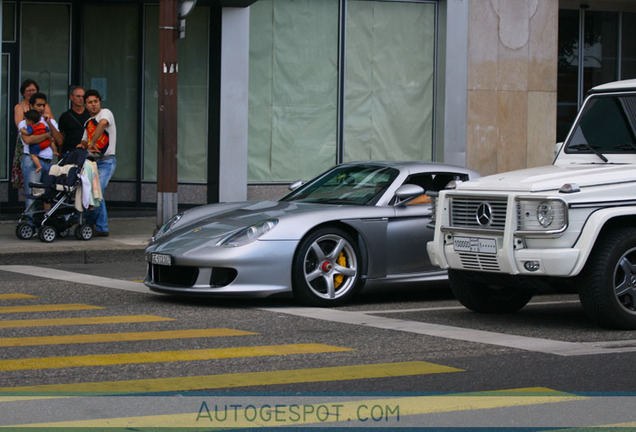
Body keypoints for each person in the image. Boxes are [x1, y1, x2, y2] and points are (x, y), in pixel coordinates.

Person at [78, 89, 116, 237]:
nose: (93, 105)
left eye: (95, 101)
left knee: (96, 190)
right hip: (91, 162)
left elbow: (102, 124)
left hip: (106, 161)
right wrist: (82, 145)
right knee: (89, 192)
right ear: (85, 105)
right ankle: (92, 222)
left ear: (100, 102)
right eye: (90, 102)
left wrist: (92, 142)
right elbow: (84, 140)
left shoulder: (106, 113)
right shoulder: (88, 122)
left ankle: (101, 226)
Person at [19, 92, 63, 210]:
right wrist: (47, 136)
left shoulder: (50, 121)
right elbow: (28, 139)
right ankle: (30, 224)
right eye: (38, 105)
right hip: (32, 161)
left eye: (43, 105)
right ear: (31, 106)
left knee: (47, 195)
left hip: (48, 162)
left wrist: (48, 123)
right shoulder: (25, 122)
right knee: (33, 195)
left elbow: (59, 140)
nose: (41, 108)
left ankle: (45, 222)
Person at [20, 109, 59, 174]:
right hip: (46, 144)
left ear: (30, 121)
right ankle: (54, 151)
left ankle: (38, 166)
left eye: (26, 120)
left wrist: (22, 130)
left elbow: (27, 133)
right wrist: (47, 136)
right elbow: (47, 132)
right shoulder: (43, 125)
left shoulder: (31, 127)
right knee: (51, 141)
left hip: (37, 146)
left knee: (33, 155)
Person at [58, 86, 90, 156]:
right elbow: (61, 138)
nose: (81, 99)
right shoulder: (65, 116)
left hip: (87, 152)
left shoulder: (90, 115)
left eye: (83, 96)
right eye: (78, 96)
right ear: (71, 97)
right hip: (69, 152)